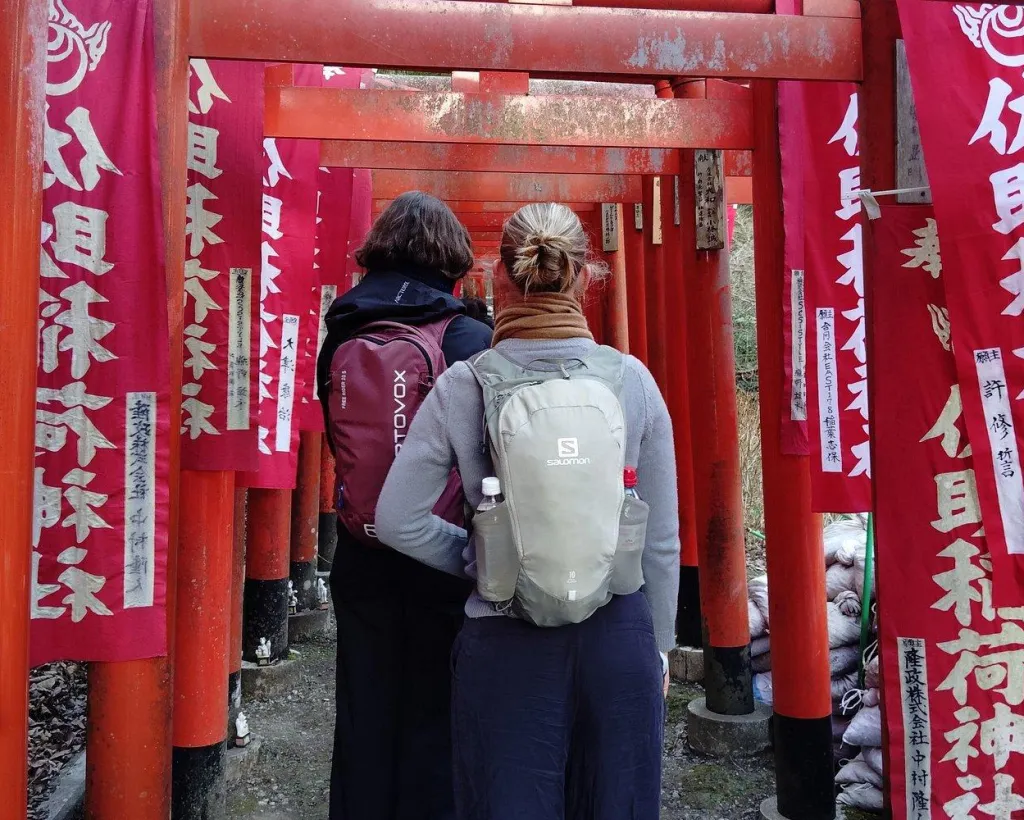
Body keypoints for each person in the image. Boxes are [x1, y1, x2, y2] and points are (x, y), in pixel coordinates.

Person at [375, 202, 679, 820]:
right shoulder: (633, 381)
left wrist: (487, 557)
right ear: (584, 276)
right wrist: (662, 647)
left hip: (506, 633)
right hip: (616, 632)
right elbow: (661, 538)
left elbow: (397, 517)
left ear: (497, 279)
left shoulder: (464, 383)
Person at [317, 191, 492, 820]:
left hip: (361, 548)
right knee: (437, 707)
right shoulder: (470, 335)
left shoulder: (341, 331)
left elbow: (335, 433)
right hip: (441, 550)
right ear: (452, 256)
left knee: (364, 702)